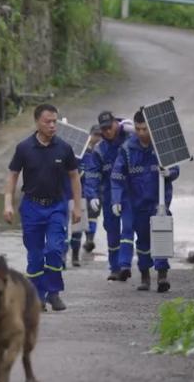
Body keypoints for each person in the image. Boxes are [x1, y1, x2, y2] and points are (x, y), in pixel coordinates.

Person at [4, 104, 83, 311]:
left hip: (56, 206)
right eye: (48, 121)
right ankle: (38, 296)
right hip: (31, 207)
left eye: (55, 121)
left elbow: (74, 176)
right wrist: (8, 203)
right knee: (35, 254)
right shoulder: (24, 148)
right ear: (37, 122)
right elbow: (12, 175)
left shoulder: (64, 148)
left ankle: (53, 293)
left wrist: (77, 207)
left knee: (55, 249)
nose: (52, 125)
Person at [110, 110, 180, 293]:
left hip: (159, 202)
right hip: (137, 202)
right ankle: (145, 276)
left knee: (161, 234)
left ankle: (162, 275)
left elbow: (175, 167)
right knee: (142, 241)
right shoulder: (127, 149)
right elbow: (117, 176)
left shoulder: (162, 146)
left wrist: (170, 173)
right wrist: (116, 199)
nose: (142, 133)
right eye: (138, 129)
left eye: (145, 129)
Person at [81, 112, 134, 280]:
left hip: (130, 191)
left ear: (115, 124)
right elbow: (92, 173)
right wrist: (93, 194)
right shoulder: (100, 150)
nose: (108, 132)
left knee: (128, 227)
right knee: (112, 229)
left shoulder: (130, 138)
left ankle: (125, 264)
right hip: (109, 193)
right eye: (104, 129)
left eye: (110, 127)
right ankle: (115, 267)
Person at [67, 124, 103, 268]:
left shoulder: (101, 152)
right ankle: (75, 255)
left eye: (100, 135)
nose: (97, 138)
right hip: (80, 193)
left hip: (95, 191)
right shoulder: (80, 152)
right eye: (96, 135)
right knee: (77, 226)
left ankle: (89, 241)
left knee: (93, 217)